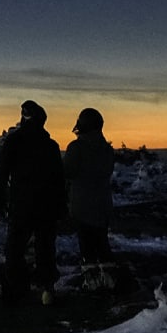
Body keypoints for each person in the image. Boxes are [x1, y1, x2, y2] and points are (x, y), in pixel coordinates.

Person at [0, 100, 67, 305]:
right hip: (47, 205)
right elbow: (58, 179)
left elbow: (2, 173)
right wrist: (62, 206)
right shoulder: (51, 145)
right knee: (45, 247)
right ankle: (47, 288)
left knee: (15, 247)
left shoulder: (14, 141)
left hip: (22, 204)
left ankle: (17, 286)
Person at [63, 107, 116, 289]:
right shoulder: (107, 150)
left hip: (82, 205)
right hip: (103, 204)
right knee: (102, 241)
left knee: (86, 243)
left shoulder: (76, 148)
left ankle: (92, 279)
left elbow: (67, 172)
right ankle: (109, 277)